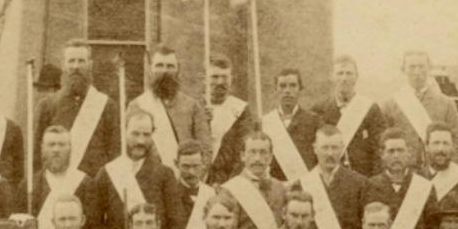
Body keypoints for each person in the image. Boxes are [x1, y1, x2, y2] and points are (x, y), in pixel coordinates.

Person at [82, 109, 180, 229]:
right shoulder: (107, 173)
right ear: (124, 133)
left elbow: (176, 224)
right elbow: (92, 224)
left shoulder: (165, 174)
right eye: (135, 133)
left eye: (146, 134)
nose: (141, 140)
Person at [33, 39, 119, 180]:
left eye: (81, 61)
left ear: (90, 65)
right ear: (63, 65)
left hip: (95, 187)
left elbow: (114, 154)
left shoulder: (108, 106)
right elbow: (37, 154)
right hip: (57, 187)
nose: (76, 66)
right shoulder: (47, 106)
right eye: (71, 61)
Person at [126, 45, 209, 169]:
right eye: (159, 65)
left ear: (178, 70)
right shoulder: (136, 106)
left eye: (170, 66)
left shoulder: (193, 106)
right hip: (150, 180)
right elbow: (128, 148)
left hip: (184, 180)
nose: (165, 71)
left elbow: (205, 149)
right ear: (150, 70)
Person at [360, 130, 437, 229]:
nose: (396, 155)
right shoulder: (370, 185)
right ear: (382, 154)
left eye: (400, 150)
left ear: (408, 153)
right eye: (391, 151)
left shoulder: (424, 186)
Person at [381, 51, 458, 166]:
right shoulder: (390, 105)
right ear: (403, 69)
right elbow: (383, 143)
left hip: (438, 169)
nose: (417, 72)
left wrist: (452, 172)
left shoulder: (446, 103)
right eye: (412, 67)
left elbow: (456, 141)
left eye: (421, 66)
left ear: (429, 68)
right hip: (403, 171)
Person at [315, 55, 387, 179]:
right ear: (332, 77)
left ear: (356, 77)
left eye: (349, 74)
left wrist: (374, 180)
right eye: (340, 73)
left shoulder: (371, 109)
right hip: (330, 178)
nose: (344, 78)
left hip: (363, 178)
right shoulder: (319, 110)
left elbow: (379, 149)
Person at [296, 124, 365, 229]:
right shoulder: (300, 185)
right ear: (315, 148)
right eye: (325, 148)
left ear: (342, 148)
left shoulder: (360, 183)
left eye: (335, 148)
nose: (330, 153)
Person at [221, 131, 290, 229]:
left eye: (263, 152)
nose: (257, 158)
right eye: (252, 152)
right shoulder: (230, 190)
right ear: (242, 156)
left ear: (270, 157)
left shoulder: (280, 187)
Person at [257, 69, 318, 184]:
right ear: (275, 90)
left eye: (293, 86)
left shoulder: (314, 121)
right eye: (282, 86)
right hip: (274, 187)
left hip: (304, 186)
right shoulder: (264, 123)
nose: (287, 91)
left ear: (300, 89)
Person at [33, 124, 90, 229]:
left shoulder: (86, 183)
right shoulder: (30, 185)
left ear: (70, 148)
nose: (56, 150)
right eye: (51, 144)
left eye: (61, 145)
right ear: (42, 148)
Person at [204, 56, 257, 185]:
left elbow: (243, 150)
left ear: (231, 79)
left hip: (229, 178)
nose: (220, 82)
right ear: (205, 79)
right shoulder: (196, 107)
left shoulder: (241, 109)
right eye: (215, 77)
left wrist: (228, 182)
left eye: (225, 77)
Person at [167, 140, 215, 229]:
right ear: (176, 164)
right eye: (186, 166)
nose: (191, 172)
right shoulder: (169, 193)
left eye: (196, 166)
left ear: (204, 164)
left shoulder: (211, 194)